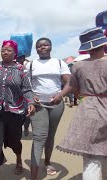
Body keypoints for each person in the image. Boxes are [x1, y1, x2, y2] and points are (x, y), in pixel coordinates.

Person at [57, 27, 107, 179]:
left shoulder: (78, 65)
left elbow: (72, 86)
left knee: (91, 154)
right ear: (103, 44)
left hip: (87, 110)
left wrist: (59, 95)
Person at [0, 40, 35, 179]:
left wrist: (30, 102)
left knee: (14, 141)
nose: (5, 52)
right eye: (3, 50)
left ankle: (18, 158)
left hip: (15, 112)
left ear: (15, 53)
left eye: (9, 50)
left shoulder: (21, 70)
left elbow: (27, 89)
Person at [25, 38, 71, 179]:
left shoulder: (59, 63)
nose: (42, 47)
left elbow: (70, 82)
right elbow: (25, 84)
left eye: (45, 45)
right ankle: (34, 174)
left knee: (50, 136)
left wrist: (60, 95)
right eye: (39, 46)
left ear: (51, 47)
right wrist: (32, 96)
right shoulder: (31, 65)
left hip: (56, 106)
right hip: (38, 106)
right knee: (39, 137)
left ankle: (47, 162)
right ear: (36, 49)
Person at [16, 55, 31, 136]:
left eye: (21, 58)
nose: (19, 59)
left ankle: (26, 127)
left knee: (27, 113)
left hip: (27, 94)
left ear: (24, 59)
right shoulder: (14, 67)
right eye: (18, 58)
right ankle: (17, 129)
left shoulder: (28, 67)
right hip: (17, 96)